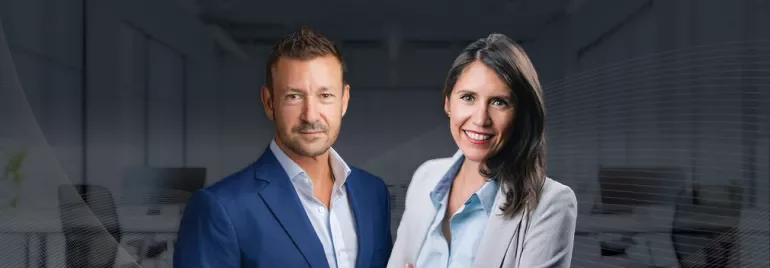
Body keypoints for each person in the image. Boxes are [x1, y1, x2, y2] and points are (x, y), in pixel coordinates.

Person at [174, 26, 393, 268]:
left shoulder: (373, 193)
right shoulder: (220, 208)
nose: (310, 115)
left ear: (344, 100)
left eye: (325, 96)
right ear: (269, 103)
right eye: (294, 96)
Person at [387, 33, 577, 268]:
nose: (480, 119)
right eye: (468, 97)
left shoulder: (552, 204)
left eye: (499, 102)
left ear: (521, 114)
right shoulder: (426, 177)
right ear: (448, 103)